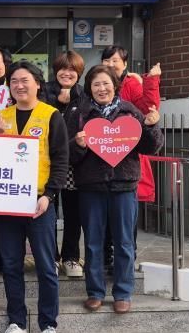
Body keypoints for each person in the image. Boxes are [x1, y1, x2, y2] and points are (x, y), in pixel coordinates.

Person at [70, 65, 163, 314]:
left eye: (106, 83)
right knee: (93, 242)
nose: (102, 89)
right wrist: (78, 145)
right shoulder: (80, 114)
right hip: (91, 187)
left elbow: (150, 148)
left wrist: (152, 126)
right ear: (89, 88)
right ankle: (95, 292)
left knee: (124, 242)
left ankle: (123, 292)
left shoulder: (130, 111)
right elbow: (69, 155)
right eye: (96, 84)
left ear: (115, 85)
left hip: (124, 186)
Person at [0, 61, 68, 333]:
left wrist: (49, 195)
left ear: (38, 83)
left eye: (25, 80)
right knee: (11, 265)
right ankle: (17, 323)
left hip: (40, 202)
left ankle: (48, 325)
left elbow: (61, 160)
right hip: (8, 202)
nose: (19, 85)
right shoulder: (1, 117)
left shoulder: (51, 116)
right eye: (14, 81)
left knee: (46, 266)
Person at [100, 45, 162, 270]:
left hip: (125, 162)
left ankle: (125, 262)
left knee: (125, 220)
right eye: (107, 60)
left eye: (115, 60)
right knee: (103, 218)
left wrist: (151, 81)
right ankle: (106, 258)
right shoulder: (97, 83)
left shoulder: (131, 83)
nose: (110, 64)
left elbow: (148, 108)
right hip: (100, 162)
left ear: (125, 64)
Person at [43, 51, 86, 278]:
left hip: (73, 163)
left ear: (79, 73)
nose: (67, 73)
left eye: (72, 70)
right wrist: (58, 103)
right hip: (47, 162)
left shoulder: (84, 95)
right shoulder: (44, 92)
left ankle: (71, 257)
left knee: (73, 213)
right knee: (48, 211)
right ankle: (50, 257)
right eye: (63, 68)